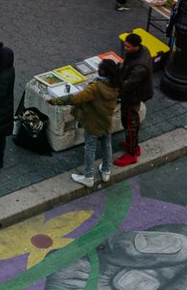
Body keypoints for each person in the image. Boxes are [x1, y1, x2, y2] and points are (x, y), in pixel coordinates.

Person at [56, 59, 122, 187]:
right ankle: (106, 171)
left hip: (93, 122)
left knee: (90, 148)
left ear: (102, 71)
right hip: (106, 120)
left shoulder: (95, 87)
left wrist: (54, 101)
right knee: (106, 144)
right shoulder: (116, 84)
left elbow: (76, 98)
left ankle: (88, 176)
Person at [114, 33, 154, 165]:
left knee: (129, 124)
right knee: (132, 123)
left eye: (128, 46)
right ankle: (133, 146)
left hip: (133, 96)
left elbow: (129, 84)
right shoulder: (143, 51)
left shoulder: (139, 67)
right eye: (125, 45)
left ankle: (131, 154)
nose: (125, 48)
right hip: (135, 93)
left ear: (136, 47)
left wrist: (113, 89)